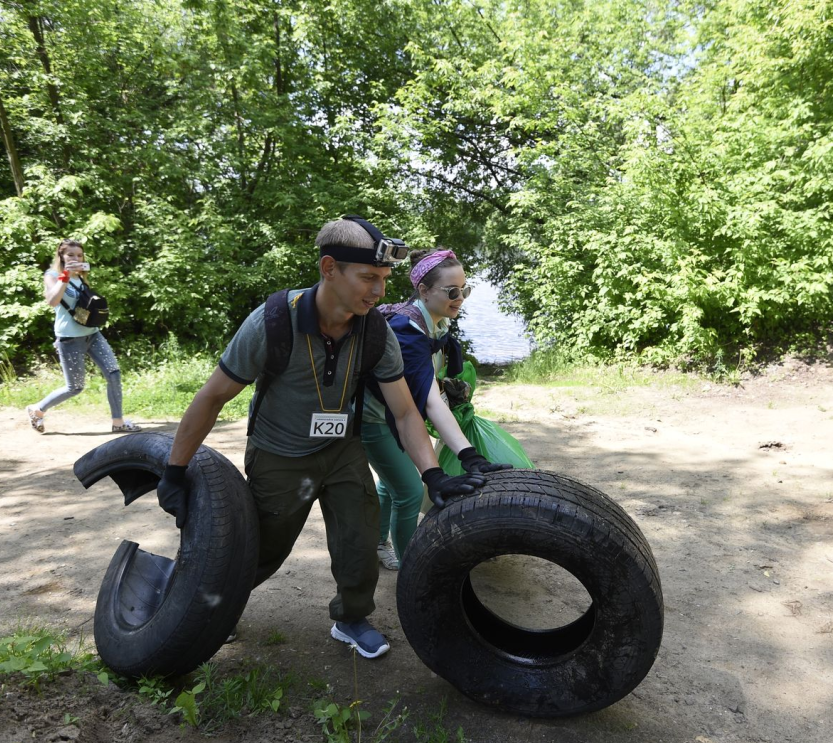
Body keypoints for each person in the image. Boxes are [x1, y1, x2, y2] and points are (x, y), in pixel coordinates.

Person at [155, 217, 501, 659]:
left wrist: (431, 475)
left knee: (358, 542)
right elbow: (212, 398)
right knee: (260, 547)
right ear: (329, 268)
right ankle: (214, 609)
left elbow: (404, 410)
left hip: (342, 451)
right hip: (279, 454)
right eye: (368, 278)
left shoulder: (376, 330)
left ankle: (352, 619)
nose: (378, 292)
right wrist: (175, 469)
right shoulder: (272, 322)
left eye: (384, 280)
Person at [363, 249, 509, 570]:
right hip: (374, 418)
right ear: (424, 291)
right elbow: (428, 401)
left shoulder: (435, 322)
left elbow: (430, 386)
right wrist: (469, 458)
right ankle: (411, 569)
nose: (461, 298)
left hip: (396, 411)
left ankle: (377, 542)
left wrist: (450, 390)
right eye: (452, 291)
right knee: (411, 489)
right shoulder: (407, 331)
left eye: (465, 290)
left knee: (391, 482)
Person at [26, 239, 140, 435]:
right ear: (61, 256)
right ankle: (37, 410)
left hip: (93, 334)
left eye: (79, 255)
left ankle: (118, 422)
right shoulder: (52, 275)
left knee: (113, 373)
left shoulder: (80, 276)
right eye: (71, 255)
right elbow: (53, 302)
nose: (75, 258)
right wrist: (65, 276)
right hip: (69, 339)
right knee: (75, 387)